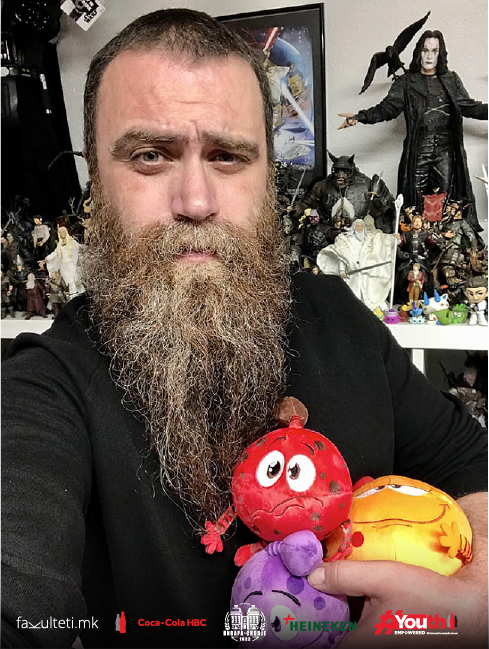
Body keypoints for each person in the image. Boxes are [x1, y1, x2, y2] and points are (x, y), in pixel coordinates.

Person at [2, 9, 487, 649]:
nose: (197, 201)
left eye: (229, 156)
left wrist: (476, 601)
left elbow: (471, 461)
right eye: (150, 156)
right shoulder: (48, 380)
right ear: (96, 182)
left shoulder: (338, 314)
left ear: (267, 179)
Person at [338, 30, 488, 233]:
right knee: (415, 198)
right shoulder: (406, 82)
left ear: (440, 53)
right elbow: (387, 108)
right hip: (420, 147)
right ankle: (415, 242)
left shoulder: (451, 79)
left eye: (434, 50)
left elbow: (469, 106)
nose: (429, 56)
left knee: (444, 197)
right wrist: (361, 116)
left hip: (445, 149)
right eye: (425, 50)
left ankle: (441, 241)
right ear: (419, 52)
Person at [316, 218, 397, 311]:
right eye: (358, 226)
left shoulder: (370, 238)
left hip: (366, 271)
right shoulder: (347, 240)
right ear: (354, 227)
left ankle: (372, 308)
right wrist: (342, 270)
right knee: (352, 293)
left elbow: (382, 240)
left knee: (371, 291)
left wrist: (393, 238)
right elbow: (342, 256)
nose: (360, 228)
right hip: (352, 271)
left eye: (361, 226)